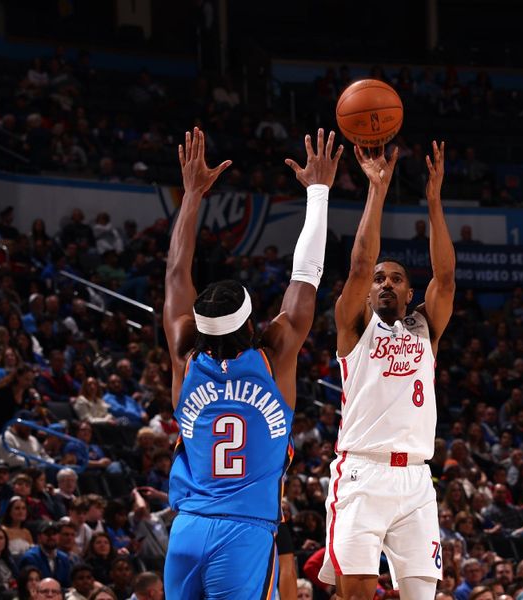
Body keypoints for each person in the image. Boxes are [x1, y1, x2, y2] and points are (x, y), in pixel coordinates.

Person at [163, 127, 342, 599]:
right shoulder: (274, 354)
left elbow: (176, 271)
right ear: (250, 321)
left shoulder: (184, 353)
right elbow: (306, 276)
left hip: (186, 529)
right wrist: (319, 191)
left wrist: (193, 196)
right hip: (244, 533)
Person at [319, 141, 455, 599]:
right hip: (363, 473)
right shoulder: (354, 327)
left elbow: (447, 278)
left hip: (417, 478)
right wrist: (377, 190)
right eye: (379, 279)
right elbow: (359, 263)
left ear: (410, 293)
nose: (384, 283)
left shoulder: (425, 328)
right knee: (355, 594)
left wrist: (433, 201)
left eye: (395, 278)